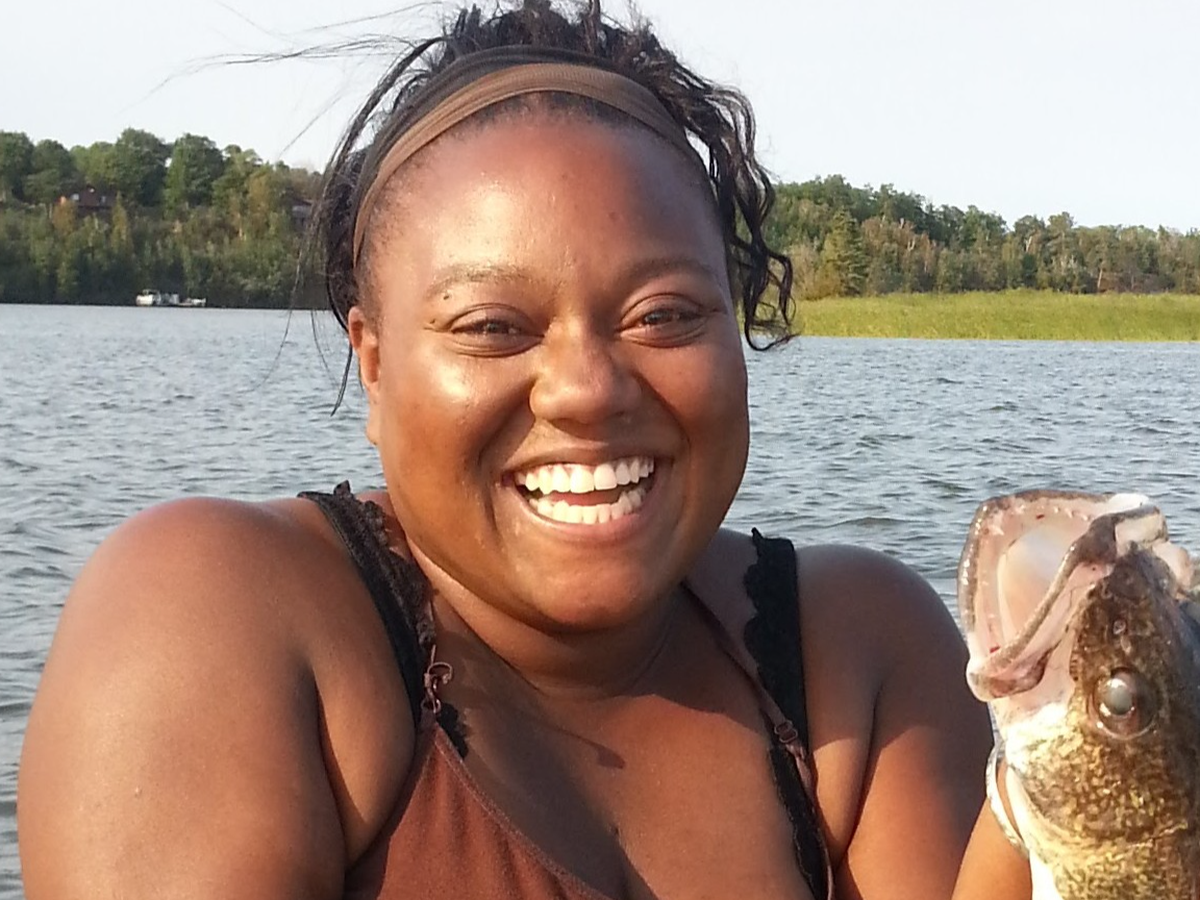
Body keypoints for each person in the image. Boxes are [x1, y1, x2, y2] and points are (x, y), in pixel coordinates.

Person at [18, 1, 1031, 898]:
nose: (587, 388)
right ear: (375, 365)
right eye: (494, 327)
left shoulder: (861, 653)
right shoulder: (217, 611)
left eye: (664, 315)